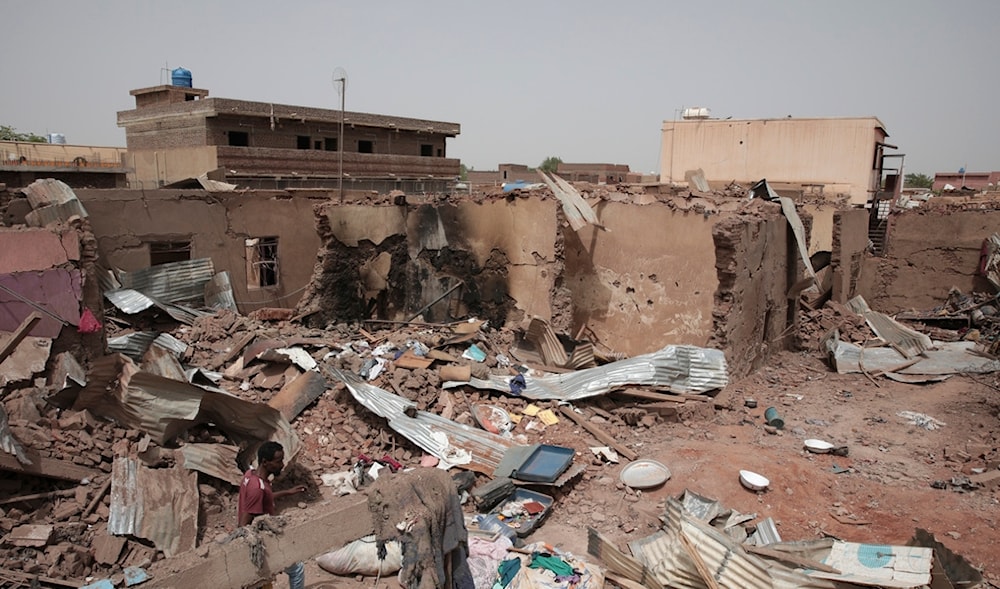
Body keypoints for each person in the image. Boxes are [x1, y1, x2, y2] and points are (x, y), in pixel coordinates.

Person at [238, 441, 308, 589]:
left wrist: (288, 492)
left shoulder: (250, 475)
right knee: (297, 569)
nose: (282, 465)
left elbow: (264, 497)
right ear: (265, 462)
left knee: (265, 582)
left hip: (262, 542)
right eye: (278, 461)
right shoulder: (257, 488)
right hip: (263, 542)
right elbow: (244, 523)